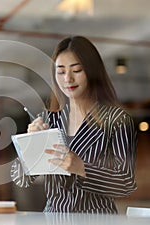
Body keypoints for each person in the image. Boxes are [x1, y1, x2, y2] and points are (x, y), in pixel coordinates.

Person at [10, 36, 137, 213]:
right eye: (60, 72)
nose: (67, 79)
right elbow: (20, 179)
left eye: (76, 70)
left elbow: (125, 183)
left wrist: (81, 168)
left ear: (92, 71)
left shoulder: (116, 120)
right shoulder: (48, 120)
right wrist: (31, 145)